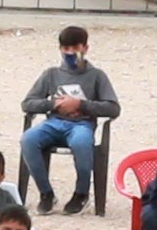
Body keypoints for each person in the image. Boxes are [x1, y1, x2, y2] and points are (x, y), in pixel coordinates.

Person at [16, 25, 120, 213]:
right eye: (66, 49)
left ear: (85, 49)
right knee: (28, 139)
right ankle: (46, 193)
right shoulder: (51, 74)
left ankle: (81, 193)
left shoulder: (97, 76)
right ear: (60, 49)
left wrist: (81, 105)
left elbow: (113, 108)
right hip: (53, 122)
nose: (70, 53)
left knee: (81, 143)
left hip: (81, 125)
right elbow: (28, 103)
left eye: (75, 48)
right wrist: (52, 104)